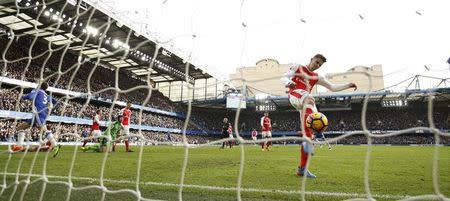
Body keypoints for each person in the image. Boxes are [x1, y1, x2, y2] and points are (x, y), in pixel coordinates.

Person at [280, 54, 357, 178]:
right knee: (311, 99)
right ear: (311, 59)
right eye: (316, 62)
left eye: (320, 65)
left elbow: (332, 87)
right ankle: (313, 134)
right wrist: (289, 82)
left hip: (304, 103)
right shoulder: (297, 67)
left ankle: (302, 169)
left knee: (308, 136)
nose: (317, 65)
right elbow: (283, 78)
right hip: (295, 95)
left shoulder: (316, 77)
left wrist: (348, 85)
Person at [10, 82, 61, 157]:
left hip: (39, 114)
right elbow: (57, 102)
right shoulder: (47, 95)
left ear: (39, 86)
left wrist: (23, 97)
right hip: (41, 114)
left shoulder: (36, 91)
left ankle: (55, 145)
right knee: (20, 127)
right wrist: (51, 110)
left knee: (44, 130)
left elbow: (30, 96)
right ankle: (19, 146)